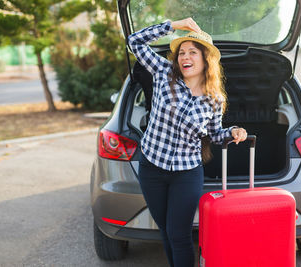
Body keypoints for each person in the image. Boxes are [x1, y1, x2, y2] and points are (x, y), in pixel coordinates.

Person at [128, 17, 248, 267]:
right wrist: (172, 25)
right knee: (165, 231)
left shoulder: (214, 99)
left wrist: (234, 131)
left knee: (179, 235)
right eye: (182, 52)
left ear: (205, 59)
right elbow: (134, 42)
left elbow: (215, 134)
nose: (185, 56)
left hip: (187, 172)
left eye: (193, 51)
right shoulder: (163, 73)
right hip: (151, 167)